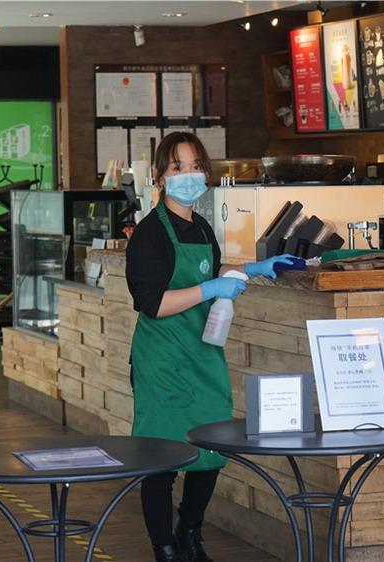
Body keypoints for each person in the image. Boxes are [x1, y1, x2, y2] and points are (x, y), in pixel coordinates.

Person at [125, 131, 293, 562]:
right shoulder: (149, 234)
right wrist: (211, 289)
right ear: (160, 176)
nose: (189, 174)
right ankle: (165, 549)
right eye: (177, 167)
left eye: (196, 165)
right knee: (161, 457)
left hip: (202, 354)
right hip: (163, 359)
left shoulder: (200, 226)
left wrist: (253, 268)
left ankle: (190, 536)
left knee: (211, 448)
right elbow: (153, 303)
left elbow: (211, 269)